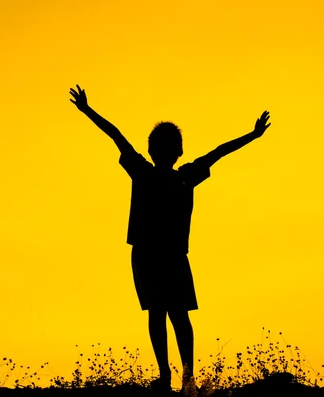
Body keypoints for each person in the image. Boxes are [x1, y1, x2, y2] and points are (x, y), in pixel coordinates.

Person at [69, 85, 271, 392]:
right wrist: (252, 135)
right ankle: (178, 376)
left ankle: (174, 376)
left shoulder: (152, 173)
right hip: (161, 255)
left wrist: (87, 110)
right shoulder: (180, 176)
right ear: (177, 151)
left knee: (162, 314)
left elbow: (117, 136)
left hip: (158, 255)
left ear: (157, 151)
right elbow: (217, 152)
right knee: (173, 315)